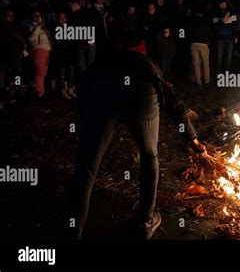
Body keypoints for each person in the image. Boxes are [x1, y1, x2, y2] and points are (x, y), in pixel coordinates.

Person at [66, 30, 205, 240]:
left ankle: (73, 232)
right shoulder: (146, 63)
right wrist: (192, 139)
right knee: (149, 157)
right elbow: (174, 102)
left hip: (102, 95)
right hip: (141, 96)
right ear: (140, 48)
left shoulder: (102, 62)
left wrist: (87, 118)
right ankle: (146, 221)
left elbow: (83, 86)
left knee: (86, 167)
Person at [51, 11, 77, 99]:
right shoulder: (56, 28)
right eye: (61, 18)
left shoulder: (69, 28)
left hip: (69, 54)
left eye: (64, 18)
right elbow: (58, 42)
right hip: (61, 54)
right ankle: (62, 90)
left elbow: (72, 40)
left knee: (70, 71)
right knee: (61, 73)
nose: (63, 20)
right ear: (58, 19)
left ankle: (70, 88)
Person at [27, 10, 52, 99]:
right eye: (35, 16)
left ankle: (38, 90)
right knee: (40, 72)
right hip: (38, 50)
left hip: (46, 50)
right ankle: (40, 93)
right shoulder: (31, 26)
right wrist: (38, 27)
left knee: (43, 72)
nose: (37, 17)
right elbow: (30, 39)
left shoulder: (43, 27)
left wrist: (43, 27)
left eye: (39, 15)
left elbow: (48, 37)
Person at [212, 0, 238, 73]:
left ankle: (227, 72)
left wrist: (236, 36)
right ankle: (219, 73)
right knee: (219, 57)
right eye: (222, 4)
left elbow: (235, 25)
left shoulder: (231, 12)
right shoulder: (216, 13)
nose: (223, 5)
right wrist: (223, 21)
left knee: (229, 57)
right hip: (220, 38)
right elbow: (215, 26)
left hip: (230, 38)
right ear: (219, 5)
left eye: (224, 4)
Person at [189, 9, 212, 85]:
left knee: (196, 64)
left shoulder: (192, 22)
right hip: (203, 44)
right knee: (205, 63)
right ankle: (207, 80)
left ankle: (198, 81)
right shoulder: (205, 23)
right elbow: (209, 34)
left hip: (193, 44)